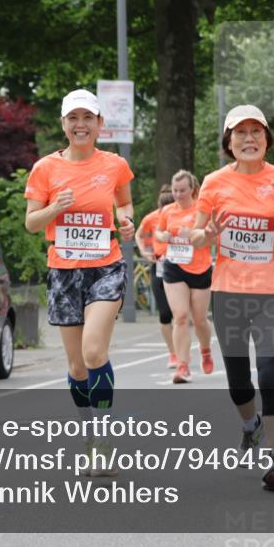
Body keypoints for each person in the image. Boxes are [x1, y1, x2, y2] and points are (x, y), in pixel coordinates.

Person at [24, 89, 135, 476]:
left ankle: (103, 441)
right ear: (63, 124)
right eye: (73, 118)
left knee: (93, 352)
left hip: (105, 266)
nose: (81, 125)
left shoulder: (115, 165)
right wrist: (55, 208)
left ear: (100, 124)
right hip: (64, 271)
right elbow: (31, 222)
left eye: (88, 118)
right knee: (76, 366)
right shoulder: (45, 169)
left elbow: (125, 202)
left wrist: (126, 220)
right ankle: (89, 434)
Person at [192, 105, 274, 491]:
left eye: (256, 131)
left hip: (273, 291)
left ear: (267, 139)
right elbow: (195, 235)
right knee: (239, 383)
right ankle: (249, 423)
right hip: (228, 292)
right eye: (240, 132)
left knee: (269, 372)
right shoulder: (214, 182)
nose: (249, 138)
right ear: (229, 141)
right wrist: (207, 236)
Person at [155, 170, 214, 384]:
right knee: (180, 316)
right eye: (175, 190)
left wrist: (193, 235)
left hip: (200, 268)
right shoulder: (167, 210)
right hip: (174, 266)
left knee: (199, 320)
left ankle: (205, 350)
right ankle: (183, 365)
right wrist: (164, 236)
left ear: (192, 189)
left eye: (182, 190)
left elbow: (211, 238)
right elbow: (158, 232)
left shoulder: (201, 210)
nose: (178, 195)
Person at [135, 186, 176, 368]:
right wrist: (144, 252)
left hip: (180, 268)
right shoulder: (151, 218)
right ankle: (173, 354)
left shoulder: (183, 216)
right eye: (162, 207)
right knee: (165, 314)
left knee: (180, 314)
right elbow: (139, 234)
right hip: (159, 266)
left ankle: (182, 351)